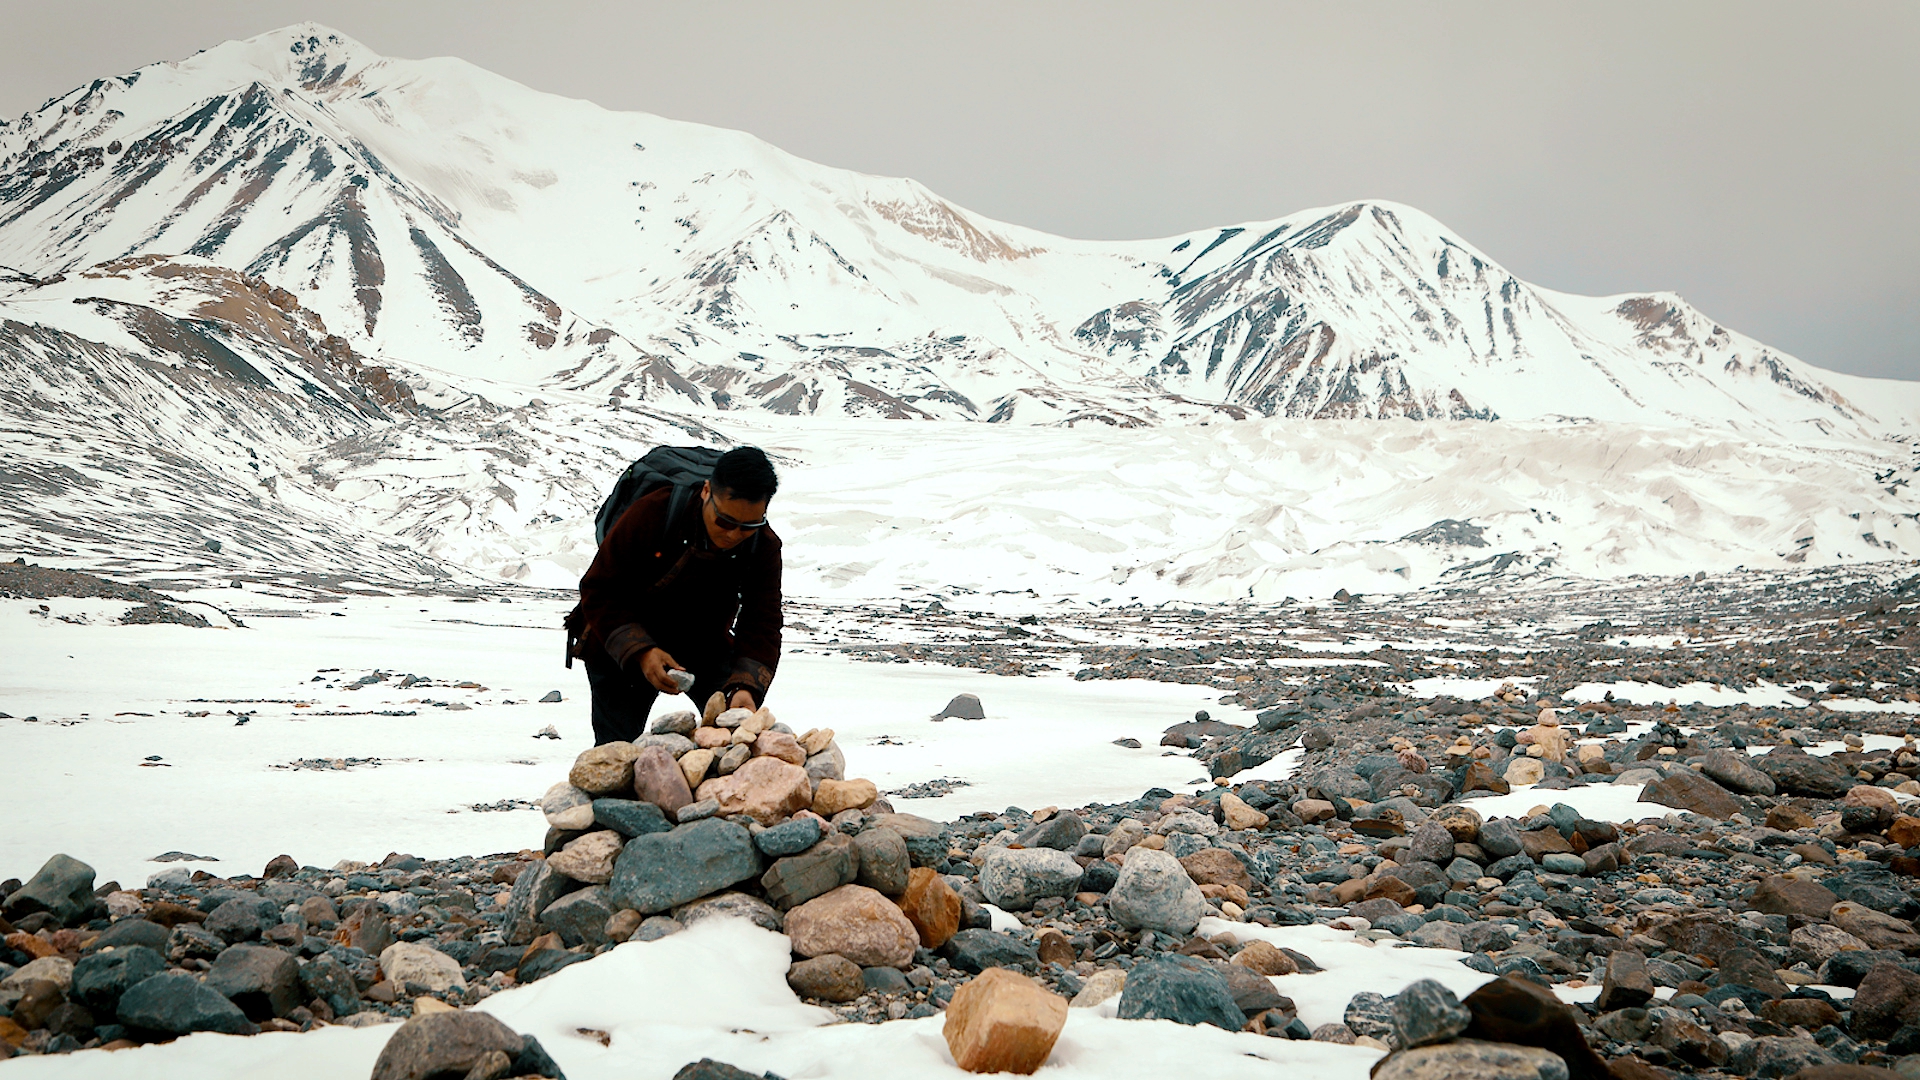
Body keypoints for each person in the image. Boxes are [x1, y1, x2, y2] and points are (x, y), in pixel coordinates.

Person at [568, 446, 782, 745]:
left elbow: (762, 620)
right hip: (622, 638)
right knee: (618, 751)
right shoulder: (653, 511)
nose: (733, 535)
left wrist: (746, 688)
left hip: (703, 641)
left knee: (738, 742)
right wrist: (642, 652)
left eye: (748, 526)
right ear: (707, 491)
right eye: (725, 521)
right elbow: (600, 588)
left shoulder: (763, 545)